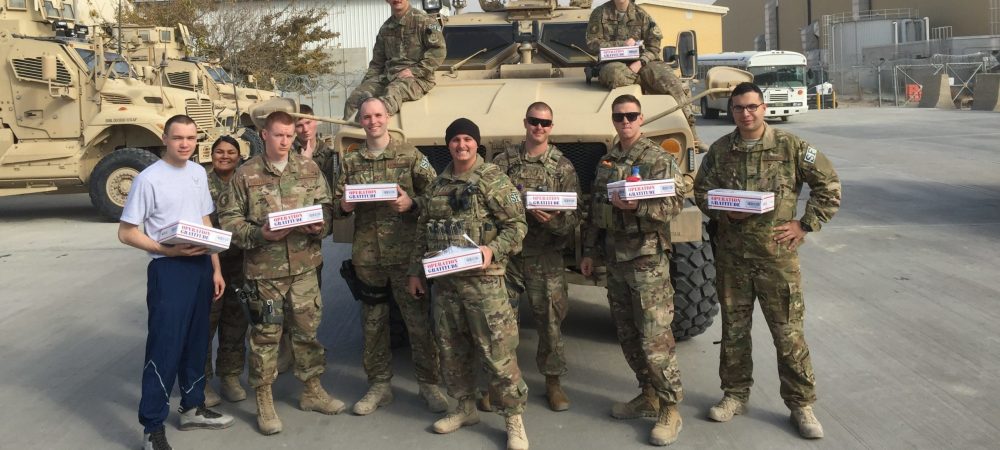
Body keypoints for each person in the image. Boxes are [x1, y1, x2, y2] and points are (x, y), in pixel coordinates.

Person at [693, 82, 841, 439]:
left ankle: (801, 405)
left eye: (752, 107)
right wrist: (726, 213)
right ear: (731, 111)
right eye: (739, 108)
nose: (746, 113)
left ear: (763, 108)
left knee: (788, 334)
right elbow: (700, 191)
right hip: (733, 259)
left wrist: (804, 224)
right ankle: (734, 395)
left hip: (777, 259)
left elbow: (830, 185)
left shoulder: (791, 147)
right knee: (734, 333)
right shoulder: (720, 150)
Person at [406, 118, 530, 450]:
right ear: (449, 144)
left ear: (477, 144)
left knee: (497, 351)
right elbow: (422, 231)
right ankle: (464, 408)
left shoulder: (492, 180)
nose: (462, 145)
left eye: (467, 140)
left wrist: (494, 249)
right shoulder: (437, 185)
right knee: (451, 349)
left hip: (484, 284)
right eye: (456, 140)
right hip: (446, 285)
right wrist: (415, 271)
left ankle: (513, 418)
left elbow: (517, 226)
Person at [217, 111, 343, 436]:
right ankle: (264, 397)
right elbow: (230, 222)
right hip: (264, 276)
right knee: (266, 336)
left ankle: (312, 390)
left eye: (289, 136)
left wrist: (321, 225)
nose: (285, 141)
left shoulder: (309, 169)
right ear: (264, 136)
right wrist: (260, 235)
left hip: (303, 270)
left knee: (306, 332)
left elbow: (326, 207)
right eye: (279, 135)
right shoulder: (245, 176)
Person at [118, 115, 235, 450]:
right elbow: (126, 233)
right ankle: (153, 426)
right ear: (165, 139)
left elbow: (204, 219)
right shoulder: (148, 179)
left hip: (200, 265)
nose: (185, 144)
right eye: (178, 138)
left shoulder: (198, 173)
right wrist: (165, 251)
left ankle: (192, 407)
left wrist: (215, 267)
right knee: (165, 347)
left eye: (191, 138)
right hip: (168, 270)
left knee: (197, 342)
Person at [579, 95, 686, 446]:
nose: (625, 121)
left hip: (647, 260)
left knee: (655, 338)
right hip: (615, 259)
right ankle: (648, 393)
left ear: (641, 119)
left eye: (631, 116)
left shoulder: (658, 159)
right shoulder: (609, 161)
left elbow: (672, 205)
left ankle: (670, 407)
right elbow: (597, 211)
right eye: (619, 116)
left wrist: (638, 206)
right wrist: (591, 252)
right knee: (627, 334)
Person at [331, 97, 449, 416]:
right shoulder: (351, 162)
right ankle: (379, 385)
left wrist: (412, 204)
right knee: (373, 323)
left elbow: (437, 195)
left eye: (378, 115)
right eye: (366, 117)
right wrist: (344, 206)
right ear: (361, 122)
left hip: (405, 254)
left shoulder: (410, 155)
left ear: (388, 117)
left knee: (418, 321)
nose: (373, 121)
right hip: (368, 257)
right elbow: (334, 206)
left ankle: (429, 384)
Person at [491, 102, 579, 412]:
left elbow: (573, 218)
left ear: (551, 127)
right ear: (525, 123)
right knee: (502, 324)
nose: (538, 127)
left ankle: (553, 383)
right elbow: (488, 204)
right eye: (533, 121)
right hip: (511, 256)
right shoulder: (503, 162)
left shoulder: (562, 167)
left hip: (546, 256)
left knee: (550, 323)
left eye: (544, 123)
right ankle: (503, 383)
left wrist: (552, 220)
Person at [585, 0, 701, 146]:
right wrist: (622, 44)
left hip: (642, 62)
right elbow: (592, 43)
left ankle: (693, 134)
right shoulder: (599, 13)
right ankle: (647, 81)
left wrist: (641, 62)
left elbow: (654, 45)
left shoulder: (642, 15)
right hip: (613, 62)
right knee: (614, 75)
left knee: (671, 81)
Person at [202, 136, 250, 408]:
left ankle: (230, 376)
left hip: (240, 261)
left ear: (239, 156)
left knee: (236, 321)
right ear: (211, 155)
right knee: (206, 322)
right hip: (210, 261)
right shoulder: (200, 183)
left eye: (231, 152)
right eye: (219, 152)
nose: (225, 156)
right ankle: (203, 380)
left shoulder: (244, 181)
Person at [343, 0, 446, 120]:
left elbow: (438, 51)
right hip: (389, 77)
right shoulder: (386, 28)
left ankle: (373, 124)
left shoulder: (426, 21)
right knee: (354, 100)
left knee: (390, 95)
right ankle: (352, 137)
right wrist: (366, 84)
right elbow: (377, 63)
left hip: (417, 78)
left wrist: (415, 71)